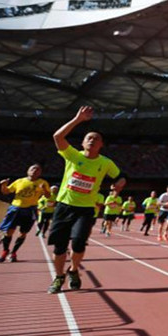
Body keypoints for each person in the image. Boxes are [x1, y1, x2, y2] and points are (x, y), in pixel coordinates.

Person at [47, 106, 126, 294]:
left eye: (96, 139)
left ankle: (73, 270)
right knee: (59, 247)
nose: (92, 140)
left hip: (86, 209)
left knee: (78, 243)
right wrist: (77, 119)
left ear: (101, 145)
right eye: (89, 137)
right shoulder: (73, 155)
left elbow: (120, 176)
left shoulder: (106, 163)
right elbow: (58, 137)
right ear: (82, 143)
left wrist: (120, 183)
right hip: (65, 205)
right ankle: (59, 277)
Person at [0, 164, 51, 263]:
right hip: (15, 209)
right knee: (9, 231)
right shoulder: (19, 181)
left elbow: (48, 196)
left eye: (38, 169)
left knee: (23, 233)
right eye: (32, 169)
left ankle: (14, 252)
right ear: (28, 171)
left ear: (40, 173)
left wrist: (44, 189)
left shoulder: (43, 182)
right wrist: (3, 185)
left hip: (29, 210)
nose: (35, 170)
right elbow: (6, 192)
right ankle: (5, 251)